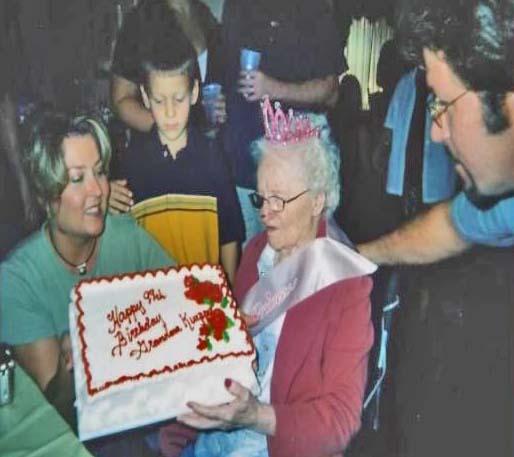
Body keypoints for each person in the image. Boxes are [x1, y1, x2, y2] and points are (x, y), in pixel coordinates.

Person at [160, 100, 374, 457]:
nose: (264, 212)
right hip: (222, 432)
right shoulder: (258, 248)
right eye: (261, 197)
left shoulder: (346, 282)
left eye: (279, 200)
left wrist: (256, 416)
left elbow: (341, 421)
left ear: (318, 200)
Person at [0, 112, 173, 455]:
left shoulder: (127, 237)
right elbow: (59, 405)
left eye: (100, 172)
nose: (97, 190)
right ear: (48, 196)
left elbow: (184, 300)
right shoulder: (16, 280)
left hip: (146, 409)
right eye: (77, 178)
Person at [358, 0, 514, 263]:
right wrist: (352, 257)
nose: (435, 134)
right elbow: (449, 226)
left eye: (445, 105)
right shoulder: (502, 202)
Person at [114, 28, 244, 284]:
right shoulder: (132, 162)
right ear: (144, 97)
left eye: (179, 98)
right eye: (160, 101)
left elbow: (229, 236)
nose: (171, 113)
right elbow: (120, 239)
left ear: (195, 92)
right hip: (152, 299)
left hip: (205, 298)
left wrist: (229, 295)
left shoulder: (212, 157)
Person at [220, 0, 345, 241]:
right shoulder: (236, 7)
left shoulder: (314, 10)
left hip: (295, 176)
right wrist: (219, 109)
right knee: (254, 264)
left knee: (300, 261)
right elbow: (227, 80)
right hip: (242, 170)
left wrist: (272, 88)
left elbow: (330, 92)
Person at [111, 0, 225, 133]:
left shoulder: (202, 14)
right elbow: (121, 100)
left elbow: (213, 79)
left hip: (204, 141)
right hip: (159, 146)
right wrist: (166, 131)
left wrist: (222, 106)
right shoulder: (140, 20)